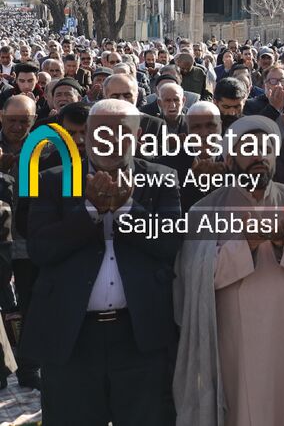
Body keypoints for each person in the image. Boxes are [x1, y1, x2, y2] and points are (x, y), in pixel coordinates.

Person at [175, 114, 284, 426]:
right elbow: (194, 277)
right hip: (234, 343)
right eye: (249, 149)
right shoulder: (205, 210)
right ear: (229, 159)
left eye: (266, 149)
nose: (259, 157)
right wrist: (246, 243)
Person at [25, 98, 182, 426]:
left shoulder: (162, 179)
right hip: (72, 337)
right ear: (86, 135)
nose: (109, 141)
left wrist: (126, 209)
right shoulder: (52, 179)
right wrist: (90, 211)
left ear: (137, 137)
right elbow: (40, 249)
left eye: (120, 133)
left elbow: (169, 245)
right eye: (101, 132)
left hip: (139, 337)